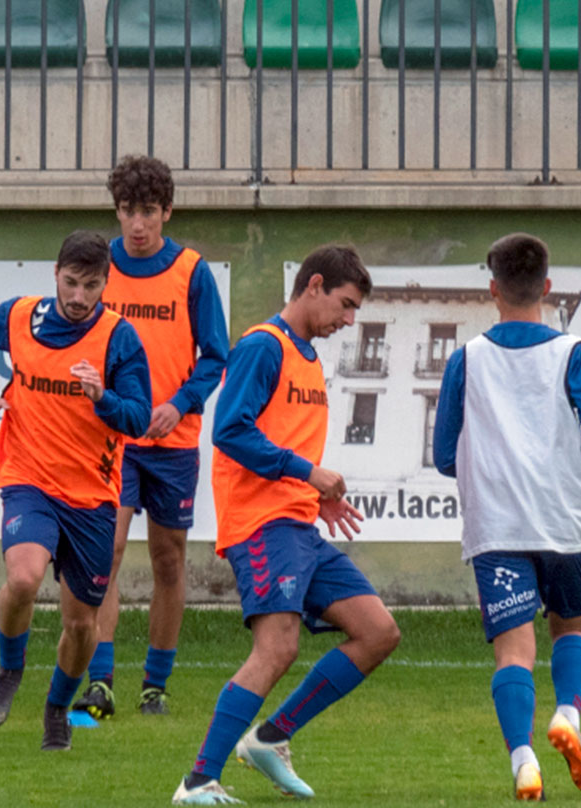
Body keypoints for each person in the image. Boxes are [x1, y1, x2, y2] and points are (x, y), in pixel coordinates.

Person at [174, 244, 398, 806]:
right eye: (345, 306)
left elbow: (278, 437)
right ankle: (197, 781)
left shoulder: (308, 357)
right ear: (314, 284)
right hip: (260, 524)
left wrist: (314, 496)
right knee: (276, 649)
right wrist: (308, 472)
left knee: (378, 632)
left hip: (298, 524)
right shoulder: (261, 346)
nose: (348, 321)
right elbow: (229, 430)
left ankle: (272, 737)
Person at [433, 233, 581, 801]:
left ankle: (522, 760)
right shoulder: (575, 353)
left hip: (497, 530)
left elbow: (444, 454)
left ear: (493, 290)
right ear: (547, 287)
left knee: (513, 654)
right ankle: (568, 715)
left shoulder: (466, 359)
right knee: (574, 628)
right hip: (565, 521)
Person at [0, 230, 153, 752]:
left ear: (105, 283)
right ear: (55, 274)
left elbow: (138, 418)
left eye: (90, 286)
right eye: (70, 283)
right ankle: (8, 672)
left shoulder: (120, 339)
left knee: (81, 623)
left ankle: (56, 709)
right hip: (28, 478)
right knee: (23, 578)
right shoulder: (19, 316)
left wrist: (103, 398)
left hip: (92, 496)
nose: (77, 296)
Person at [81, 155, 229, 720]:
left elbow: (215, 357)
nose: (136, 224)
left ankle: (155, 687)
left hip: (172, 440)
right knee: (108, 551)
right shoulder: (100, 268)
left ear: (167, 211)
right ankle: (100, 683)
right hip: (112, 438)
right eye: (126, 211)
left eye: (147, 211)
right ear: (116, 212)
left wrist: (179, 404)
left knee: (168, 561)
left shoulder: (192, 272)